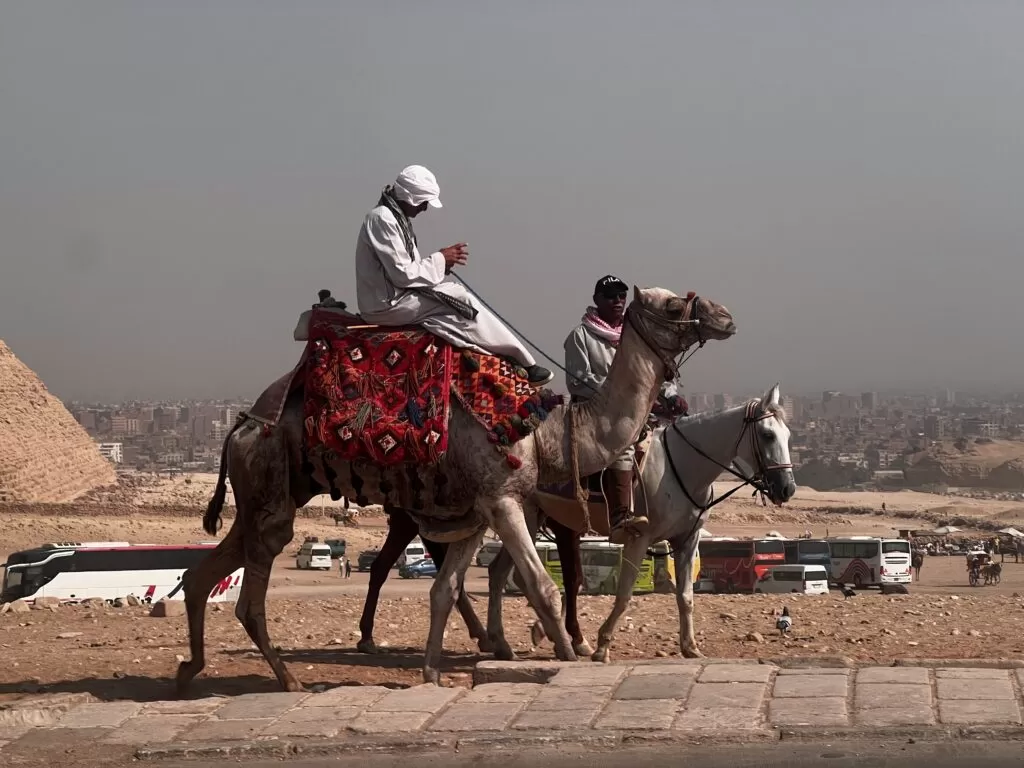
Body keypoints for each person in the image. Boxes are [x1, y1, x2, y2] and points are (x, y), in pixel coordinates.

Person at [354, 165, 553, 385]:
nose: (424, 209)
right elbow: (403, 275)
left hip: (397, 297)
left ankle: (504, 356)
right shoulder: (383, 219)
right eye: (423, 203)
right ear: (411, 198)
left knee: (453, 304)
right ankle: (522, 360)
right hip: (386, 304)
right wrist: (440, 259)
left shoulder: (395, 218)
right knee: (459, 299)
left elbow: (406, 269)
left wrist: (440, 266)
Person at [564, 275, 688, 543]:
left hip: (638, 413)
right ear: (597, 300)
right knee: (624, 444)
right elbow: (578, 381)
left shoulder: (638, 336)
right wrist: (623, 395)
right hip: (599, 416)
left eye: (622, 296)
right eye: (611, 296)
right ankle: (620, 516)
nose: (618, 301)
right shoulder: (580, 337)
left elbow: (653, 374)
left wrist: (669, 396)